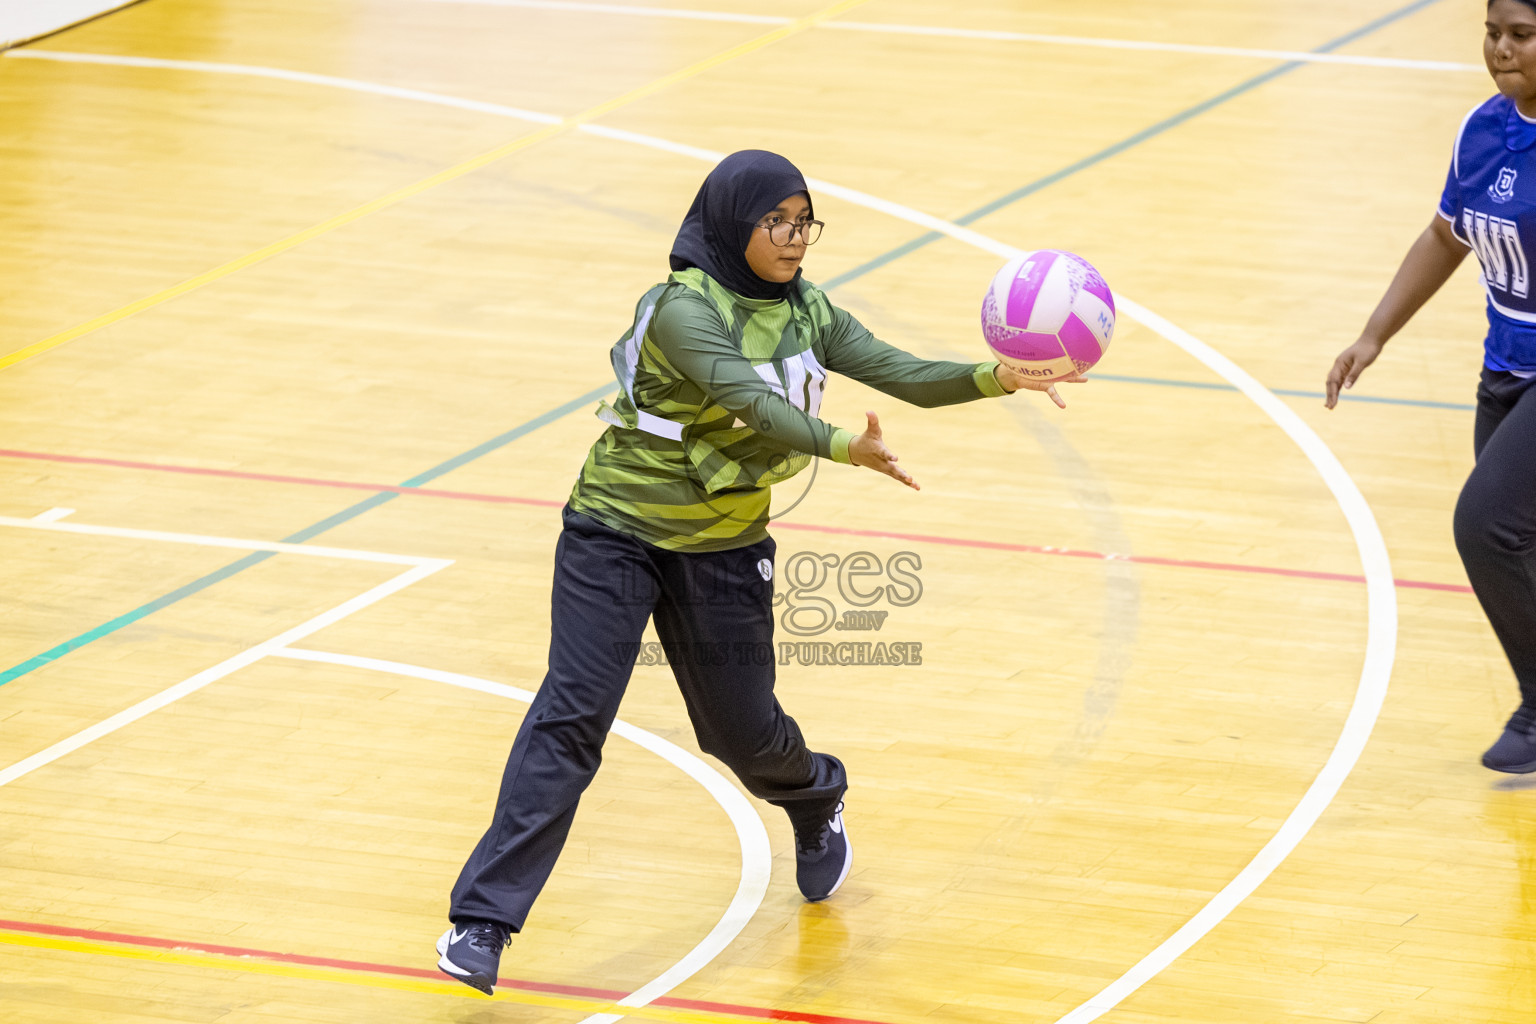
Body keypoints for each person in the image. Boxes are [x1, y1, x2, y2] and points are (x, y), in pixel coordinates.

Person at [436, 149, 1083, 994]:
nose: (793, 238)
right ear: (732, 225)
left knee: (741, 735)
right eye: (775, 221)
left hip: (726, 545)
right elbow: (755, 404)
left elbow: (903, 376)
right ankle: (482, 922)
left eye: (803, 220)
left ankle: (815, 797)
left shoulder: (808, 310)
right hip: (614, 530)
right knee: (573, 715)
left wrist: (1000, 377)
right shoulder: (681, 309)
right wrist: (848, 448)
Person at [1326, 0, 1536, 774]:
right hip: (1503, 371)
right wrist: (1375, 333)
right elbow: (1447, 233)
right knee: (1524, 545)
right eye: (1492, 32)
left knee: (1487, 525)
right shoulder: (1484, 128)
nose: (1501, 49)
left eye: (1522, 35)